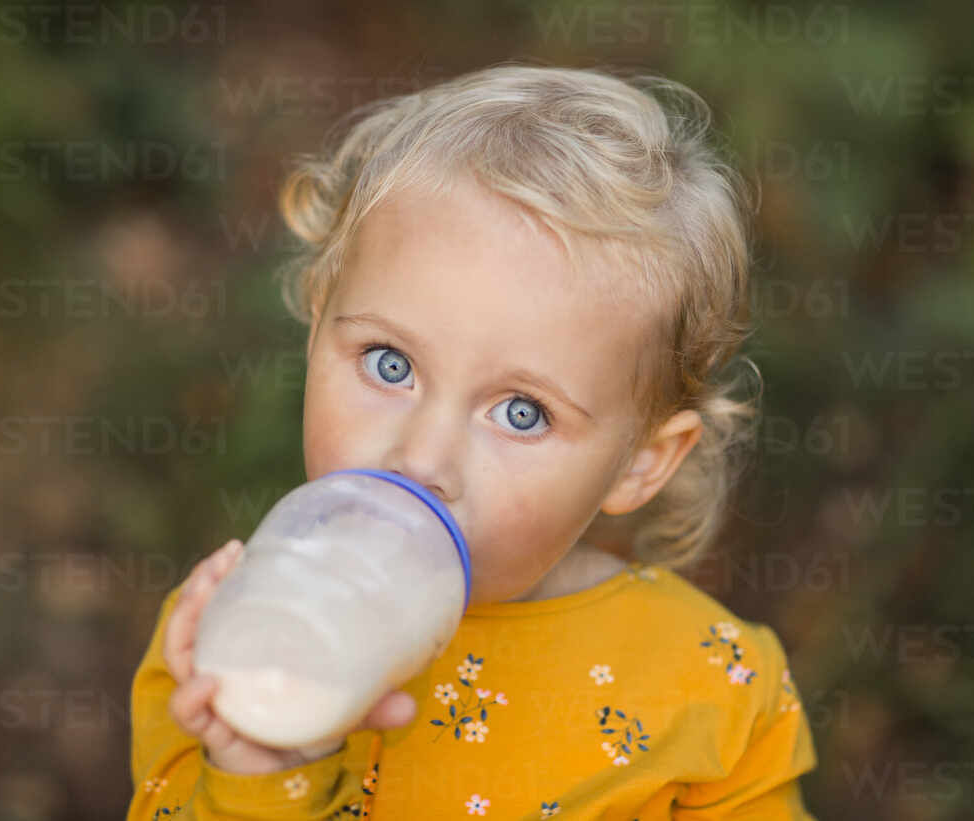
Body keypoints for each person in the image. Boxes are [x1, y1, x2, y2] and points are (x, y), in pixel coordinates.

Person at [127, 62, 818, 819]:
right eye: (390, 364)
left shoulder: (713, 686)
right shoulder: (229, 634)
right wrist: (258, 771)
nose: (422, 458)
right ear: (320, 322)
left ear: (641, 461)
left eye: (521, 412)